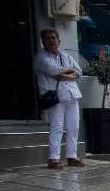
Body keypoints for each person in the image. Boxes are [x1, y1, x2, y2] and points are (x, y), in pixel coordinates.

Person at [33, 28, 84, 169]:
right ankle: (53, 158)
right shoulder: (41, 57)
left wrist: (65, 74)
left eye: (53, 38)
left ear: (59, 40)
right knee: (57, 127)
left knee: (74, 127)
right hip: (55, 96)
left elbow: (79, 71)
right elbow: (54, 72)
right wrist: (69, 71)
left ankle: (71, 156)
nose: (51, 40)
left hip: (72, 94)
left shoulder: (66, 55)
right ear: (43, 42)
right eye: (48, 38)